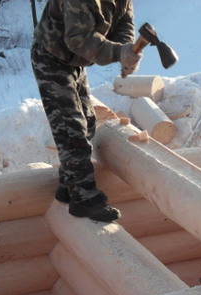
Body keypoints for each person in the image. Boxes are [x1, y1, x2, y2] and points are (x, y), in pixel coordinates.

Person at [31, 0, 142, 222]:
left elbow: (124, 21)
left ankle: (69, 184)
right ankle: (83, 198)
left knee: (88, 121)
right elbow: (79, 40)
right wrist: (118, 52)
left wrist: (127, 50)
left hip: (75, 61)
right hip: (52, 58)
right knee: (71, 129)